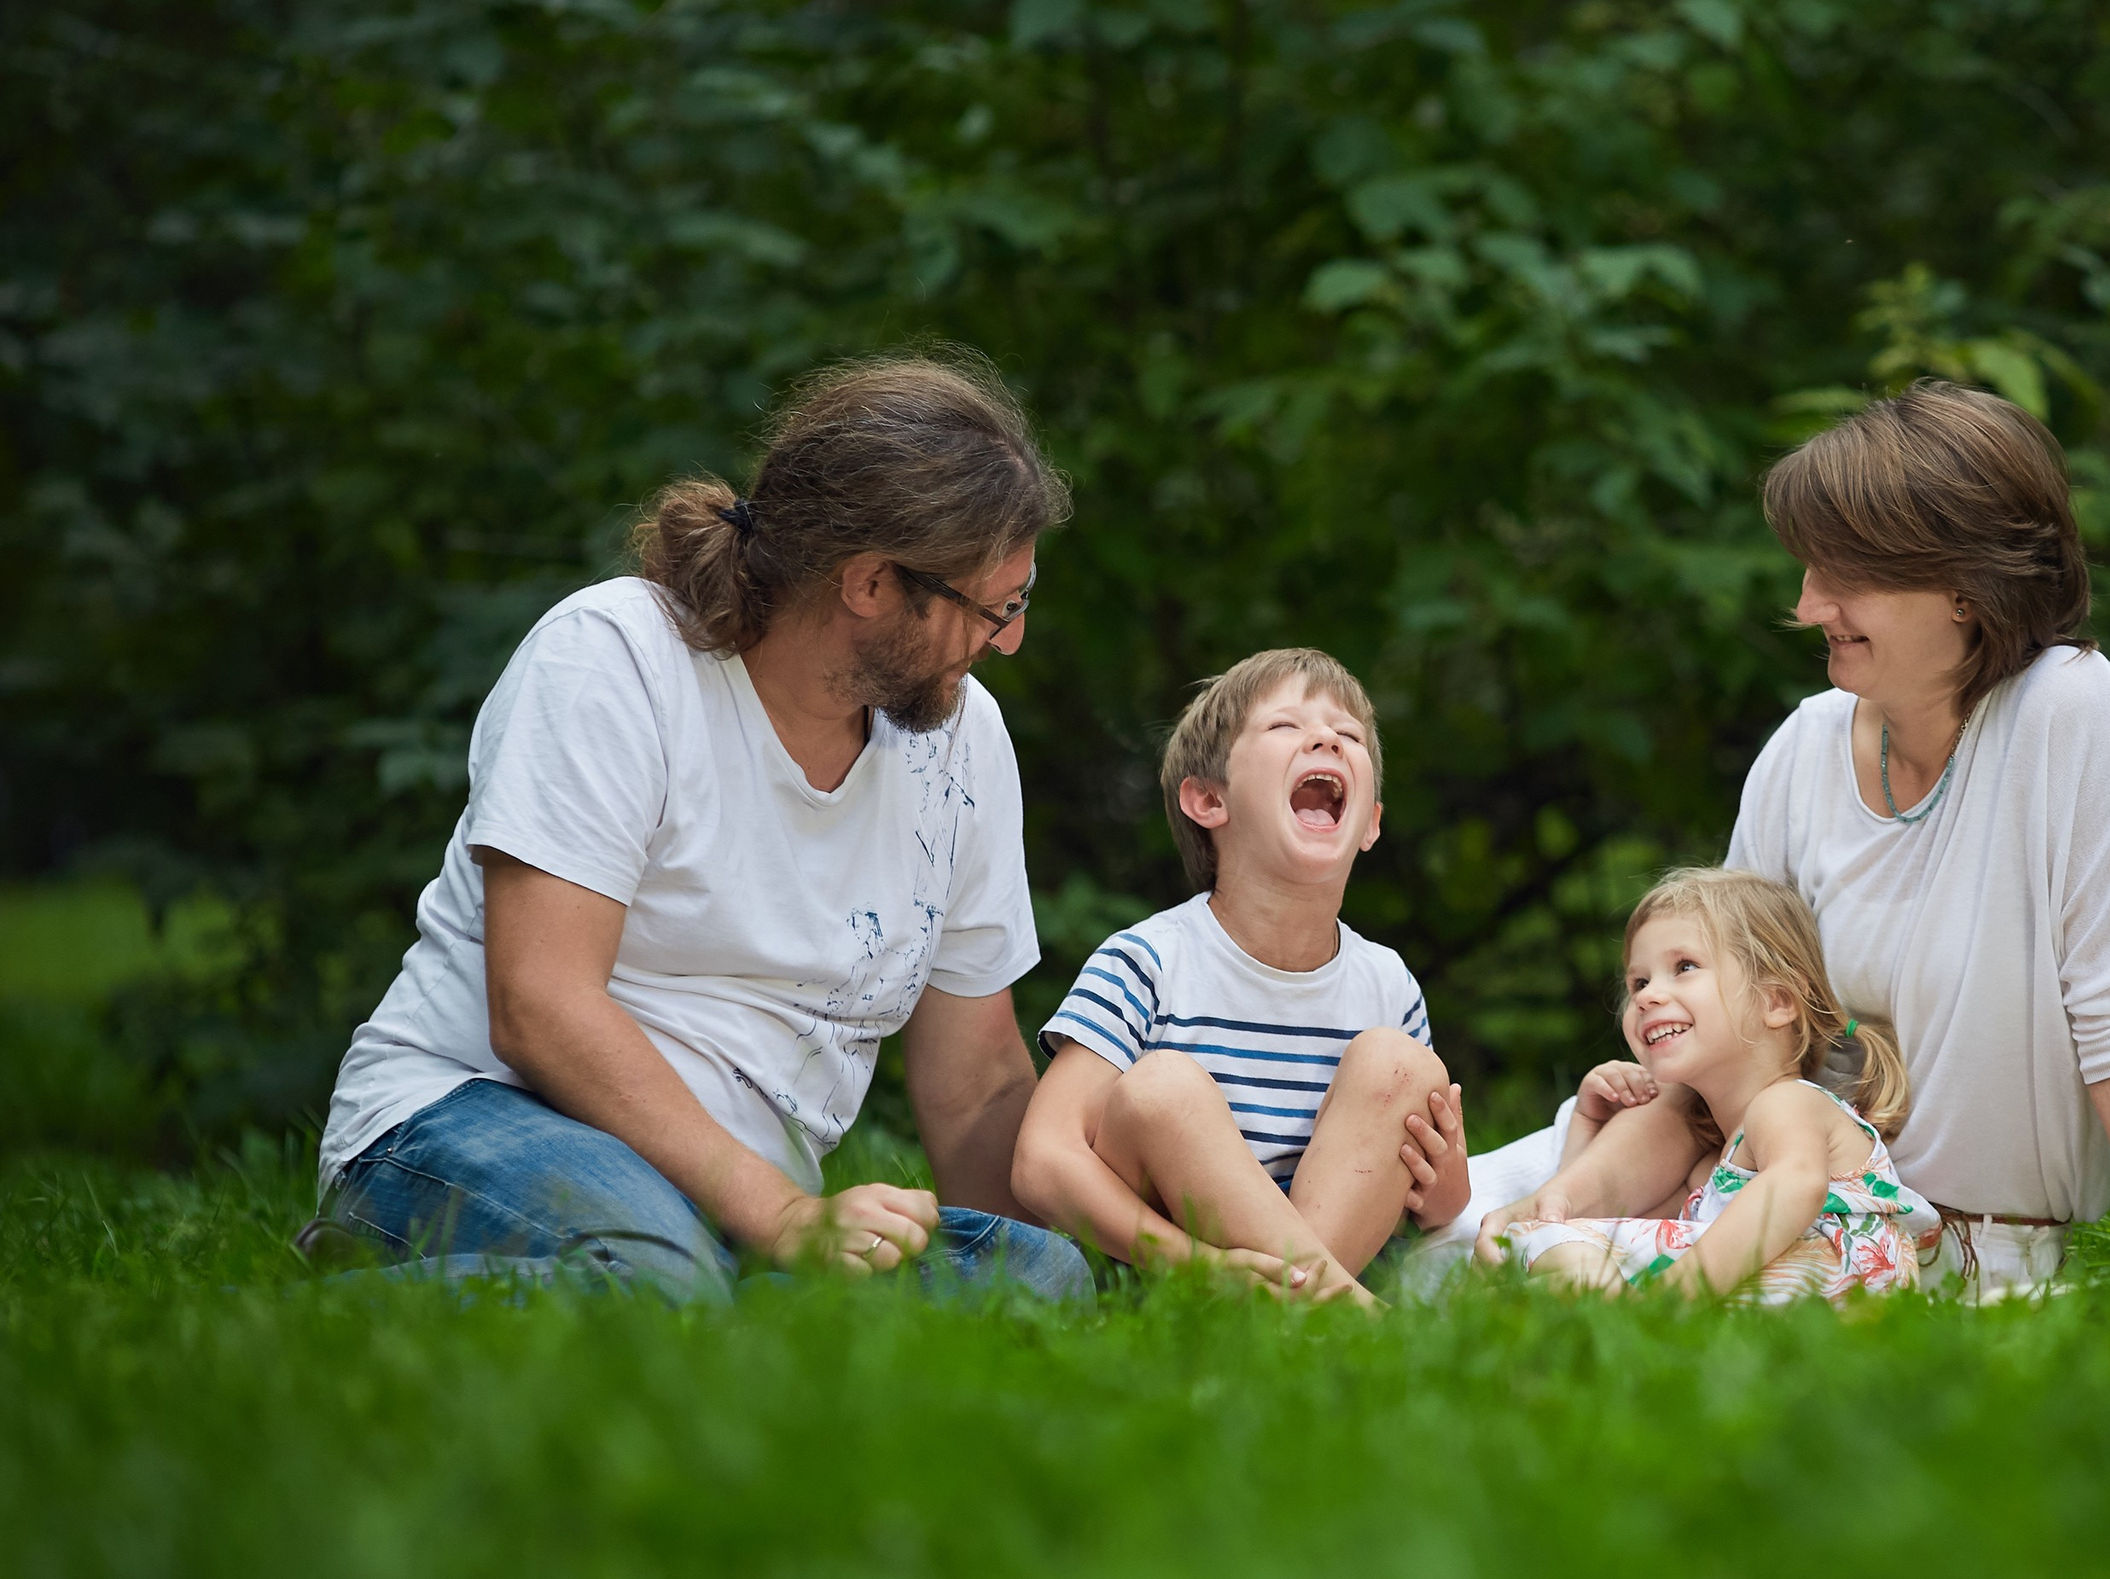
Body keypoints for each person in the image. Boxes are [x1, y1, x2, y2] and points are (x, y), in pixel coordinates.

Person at [301, 350, 1091, 1303]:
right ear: (871, 583)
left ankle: (676, 1299)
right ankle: (295, 1320)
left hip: (733, 1206)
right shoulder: (614, 659)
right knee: (660, 1278)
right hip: (474, 1114)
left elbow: (974, 1084)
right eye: (993, 608)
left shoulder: (964, 742)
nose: (1009, 640)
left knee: (1034, 1276)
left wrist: (1113, 1248)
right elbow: (540, 1004)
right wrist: (786, 1215)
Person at [1485, 380, 2110, 1299]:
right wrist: (1567, 1193)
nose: (1808, 603)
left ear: (1964, 585)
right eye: (1807, 568)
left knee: (1481, 1265)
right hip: (1723, 1190)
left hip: (1892, 1250)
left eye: (1843, 575)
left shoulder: (2071, 714)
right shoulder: (1805, 746)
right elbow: (1718, 1049)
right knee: (1453, 1224)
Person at [1012, 649, 1471, 1304]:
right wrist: (1193, 1264)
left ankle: (1292, 1317)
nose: (1323, 738)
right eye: (1285, 726)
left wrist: (1447, 1179)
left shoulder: (1389, 986)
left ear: (1370, 821)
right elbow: (1043, 1160)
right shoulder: (1147, 961)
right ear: (1208, 798)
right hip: (1178, 1287)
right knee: (1162, 1087)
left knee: (1401, 1064)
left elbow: (1437, 1201)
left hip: (1313, 1255)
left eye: (1347, 735)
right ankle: (1340, 1311)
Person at [1480, 868, 1938, 1301]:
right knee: (1546, 1246)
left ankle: (1628, 1313)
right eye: (1639, 981)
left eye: (1684, 967)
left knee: (1552, 1251)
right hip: (1787, 1297)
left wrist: (1672, 1295)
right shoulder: (1708, 1169)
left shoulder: (1787, 1104)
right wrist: (1585, 1120)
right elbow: (1608, 1223)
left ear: (1775, 1001)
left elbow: (1797, 1185)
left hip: (1840, 1289)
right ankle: (1607, 1311)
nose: (1646, 995)